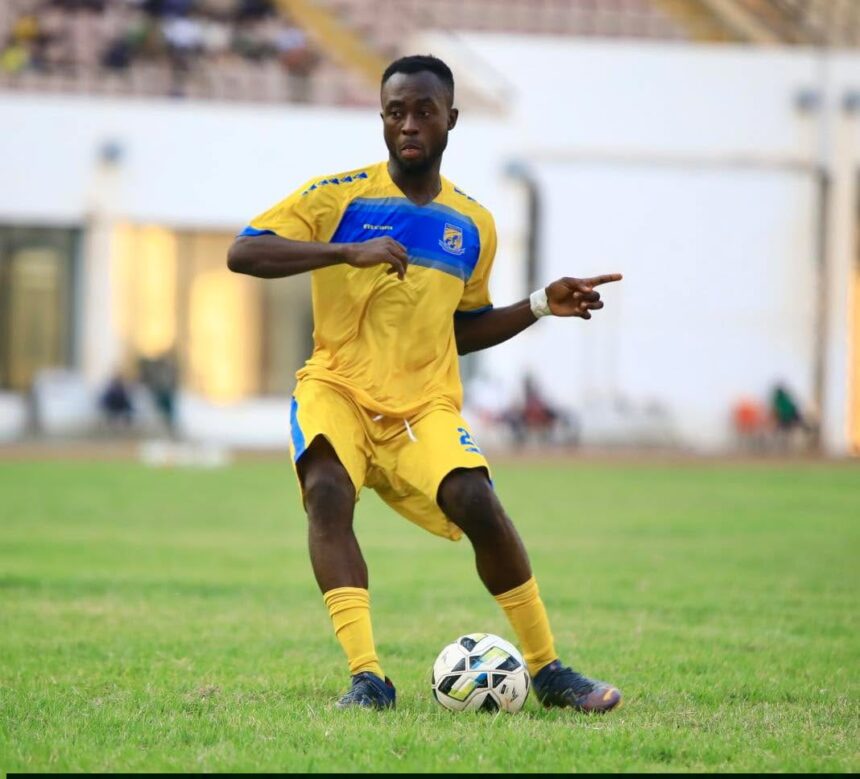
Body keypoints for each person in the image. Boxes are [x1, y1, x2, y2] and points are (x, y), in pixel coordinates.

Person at [227, 55, 623, 713]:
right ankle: (368, 678)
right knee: (326, 489)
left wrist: (539, 305)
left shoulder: (473, 224)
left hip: (422, 404)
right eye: (395, 111)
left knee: (478, 499)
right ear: (382, 117)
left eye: (423, 111)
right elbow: (244, 251)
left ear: (451, 120)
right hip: (337, 388)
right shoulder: (339, 196)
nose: (408, 123)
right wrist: (343, 251)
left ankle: (549, 670)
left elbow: (457, 329)